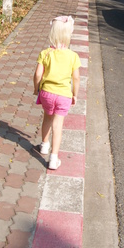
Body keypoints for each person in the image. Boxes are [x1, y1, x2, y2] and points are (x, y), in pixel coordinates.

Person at [33, 15, 81, 170]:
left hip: (47, 93)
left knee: (47, 118)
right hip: (64, 95)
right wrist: (75, 94)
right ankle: (54, 158)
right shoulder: (73, 56)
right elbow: (76, 78)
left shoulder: (45, 53)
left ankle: (44, 145)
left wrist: (36, 88)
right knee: (58, 125)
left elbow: (38, 74)